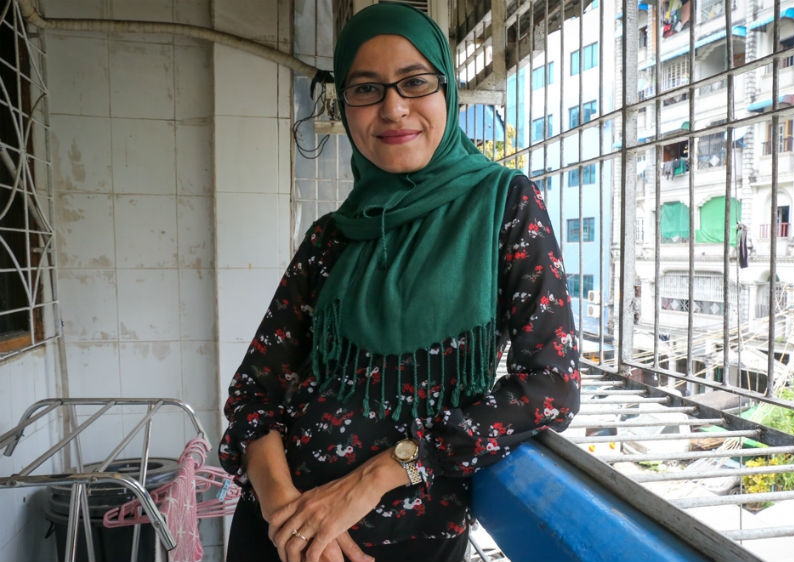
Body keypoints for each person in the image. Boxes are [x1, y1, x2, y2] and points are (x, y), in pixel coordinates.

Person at [218, 4, 581, 562]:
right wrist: (286, 512)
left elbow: (550, 386)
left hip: (403, 543)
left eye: (414, 82)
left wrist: (374, 478)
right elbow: (252, 395)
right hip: (276, 534)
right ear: (345, 106)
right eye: (365, 89)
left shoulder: (504, 205)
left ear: (447, 92)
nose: (392, 107)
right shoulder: (331, 237)